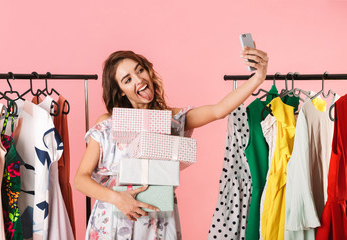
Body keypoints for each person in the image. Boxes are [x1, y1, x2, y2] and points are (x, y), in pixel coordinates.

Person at [74, 46, 269, 240]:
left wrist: (258, 78)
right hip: (115, 220)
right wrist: (118, 199)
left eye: (139, 70)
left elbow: (218, 110)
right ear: (121, 91)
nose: (139, 79)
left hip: (159, 220)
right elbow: (80, 179)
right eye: (128, 79)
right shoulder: (108, 124)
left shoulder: (172, 120)